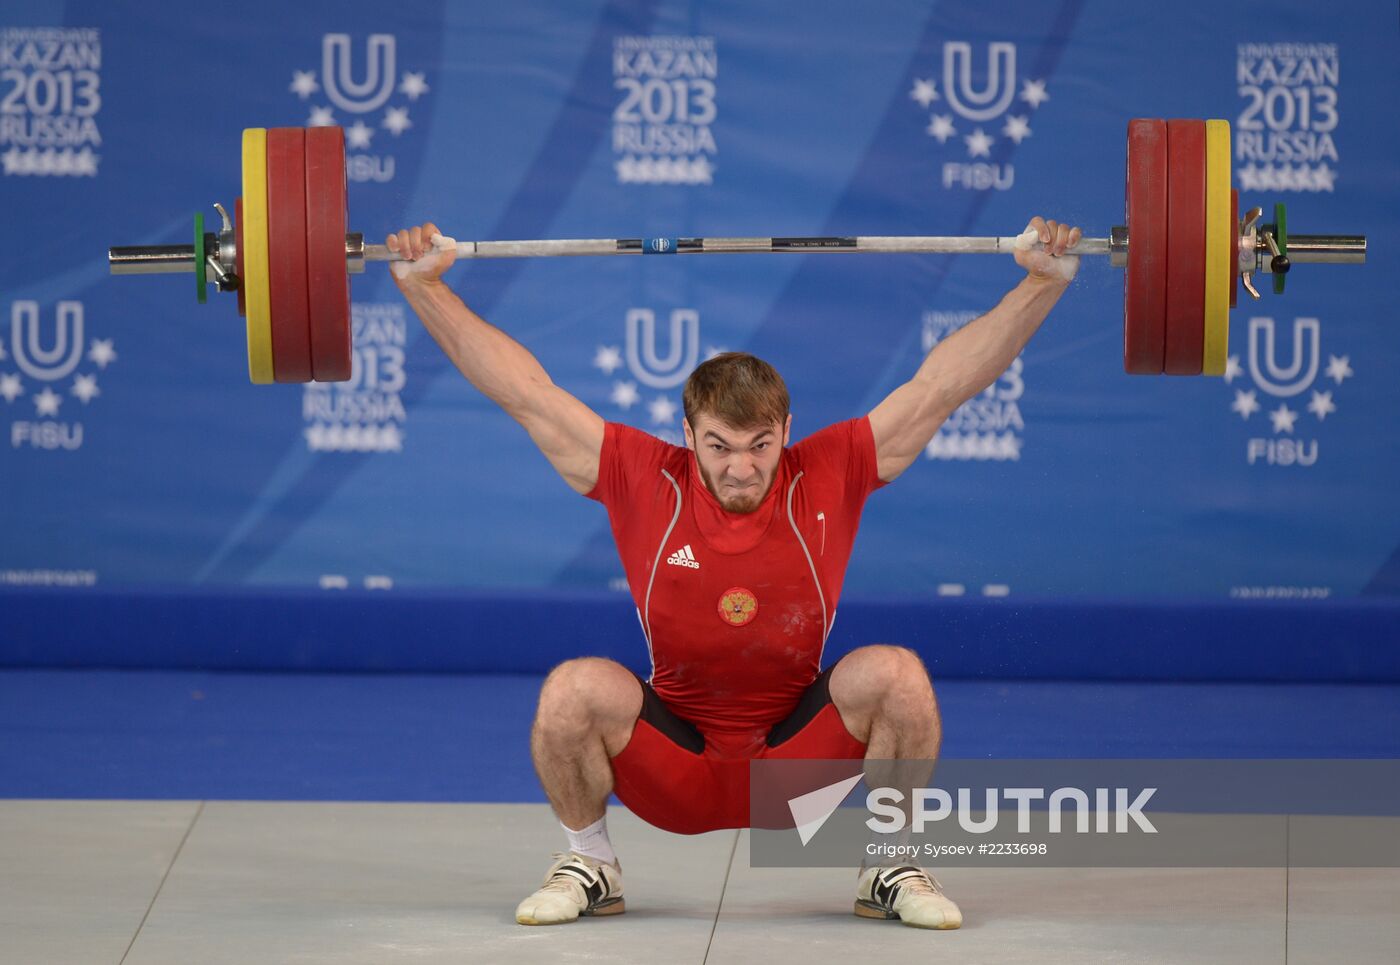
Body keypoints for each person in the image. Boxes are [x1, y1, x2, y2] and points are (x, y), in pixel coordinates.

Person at [386, 216, 1083, 930]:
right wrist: (423, 288)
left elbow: (940, 385)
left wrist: (1041, 283)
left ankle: (890, 862)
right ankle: (589, 860)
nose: (742, 466)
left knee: (897, 673)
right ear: (687, 436)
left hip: (796, 776)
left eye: (760, 444)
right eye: (719, 445)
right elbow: (523, 390)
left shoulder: (829, 469)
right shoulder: (641, 474)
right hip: (674, 773)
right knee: (572, 690)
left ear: (787, 428)